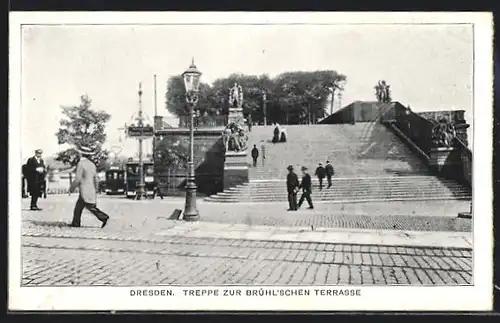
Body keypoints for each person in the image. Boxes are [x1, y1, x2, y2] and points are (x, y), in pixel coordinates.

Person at [69, 145, 110, 228]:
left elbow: (77, 178)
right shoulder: (92, 164)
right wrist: (96, 189)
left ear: (81, 154)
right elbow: (96, 179)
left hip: (84, 189)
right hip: (91, 189)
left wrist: (71, 188)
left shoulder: (81, 164)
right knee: (78, 207)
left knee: (90, 207)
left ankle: (104, 217)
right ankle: (75, 223)